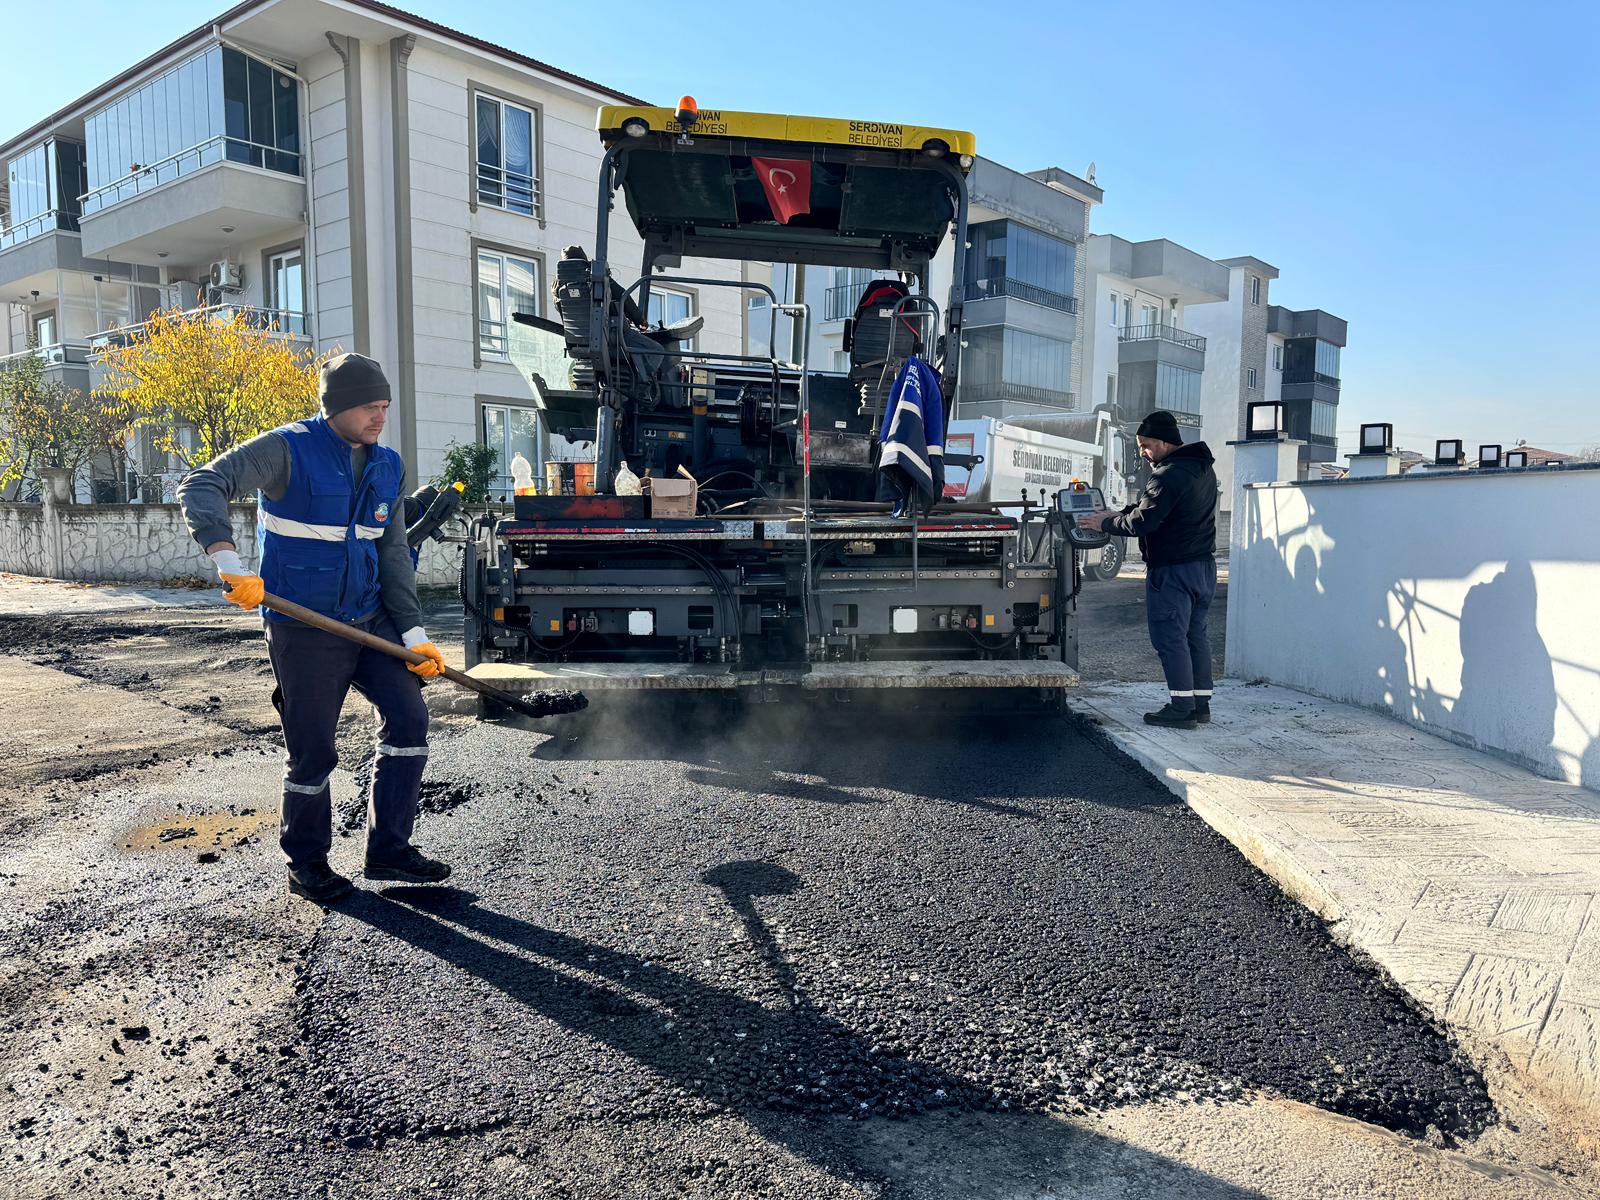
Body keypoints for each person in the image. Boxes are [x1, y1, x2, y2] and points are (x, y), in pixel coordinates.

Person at [177, 352, 452, 903]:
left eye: (385, 406)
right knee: (313, 749)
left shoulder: (388, 465)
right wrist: (229, 563)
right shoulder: (287, 450)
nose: (380, 416)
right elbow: (202, 484)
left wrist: (414, 633)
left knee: (409, 718)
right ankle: (306, 862)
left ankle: (389, 850)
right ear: (337, 407)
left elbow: (394, 553)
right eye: (369, 406)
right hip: (304, 625)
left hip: (370, 617)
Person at [1079, 409, 1218, 729]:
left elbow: (1144, 521)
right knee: (1195, 635)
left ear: (1164, 442)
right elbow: (1159, 509)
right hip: (1203, 568)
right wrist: (1121, 512)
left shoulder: (1167, 474)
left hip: (1173, 571)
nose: (1142, 452)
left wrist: (1106, 521)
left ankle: (1181, 708)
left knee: (1171, 637)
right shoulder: (1201, 470)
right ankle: (1199, 704)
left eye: (1145, 445)